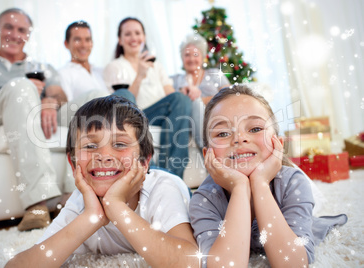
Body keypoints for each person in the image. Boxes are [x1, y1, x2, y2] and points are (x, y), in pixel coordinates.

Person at [5, 95, 199, 267]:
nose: (104, 156)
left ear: (145, 160)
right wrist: (92, 217)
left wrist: (115, 206)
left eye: (120, 144)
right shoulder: (80, 202)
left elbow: (189, 262)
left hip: (156, 176)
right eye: (90, 145)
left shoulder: (163, 190)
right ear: (73, 165)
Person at [189, 85, 347, 267]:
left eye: (255, 129)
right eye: (223, 133)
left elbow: (293, 263)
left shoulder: (293, 182)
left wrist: (260, 184)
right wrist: (240, 187)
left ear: (278, 144)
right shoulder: (204, 199)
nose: (239, 138)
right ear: (207, 154)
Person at [0, 8, 72, 232]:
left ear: (28, 34)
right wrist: (25, 88)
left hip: (40, 111)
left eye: (21, 30)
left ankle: (74, 196)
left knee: (94, 100)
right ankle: (37, 204)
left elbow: (60, 94)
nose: (14, 34)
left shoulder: (42, 67)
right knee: (21, 85)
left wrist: (48, 100)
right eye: (9, 27)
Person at [103, 17, 192, 179]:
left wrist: (185, 92)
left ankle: (172, 177)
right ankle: (145, 167)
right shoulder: (114, 66)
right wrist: (140, 75)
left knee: (181, 99)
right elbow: (123, 102)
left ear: (143, 37)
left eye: (137, 33)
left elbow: (171, 95)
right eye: (128, 34)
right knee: (123, 94)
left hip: (156, 116)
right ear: (120, 40)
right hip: (132, 118)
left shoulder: (156, 65)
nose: (134, 38)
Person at [58, 20, 135, 127]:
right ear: (66, 44)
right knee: (98, 95)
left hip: (110, 118)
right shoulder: (63, 73)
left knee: (124, 94)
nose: (84, 45)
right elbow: (68, 108)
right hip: (86, 117)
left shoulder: (101, 72)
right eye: (77, 40)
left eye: (87, 40)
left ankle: (126, 129)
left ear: (92, 43)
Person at [171, 33, 231, 149]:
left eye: (195, 55)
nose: (191, 59)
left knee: (196, 102)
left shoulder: (214, 74)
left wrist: (201, 100)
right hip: (187, 121)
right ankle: (207, 150)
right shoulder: (176, 80)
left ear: (202, 56)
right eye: (187, 55)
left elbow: (229, 96)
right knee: (195, 104)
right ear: (182, 58)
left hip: (214, 116)